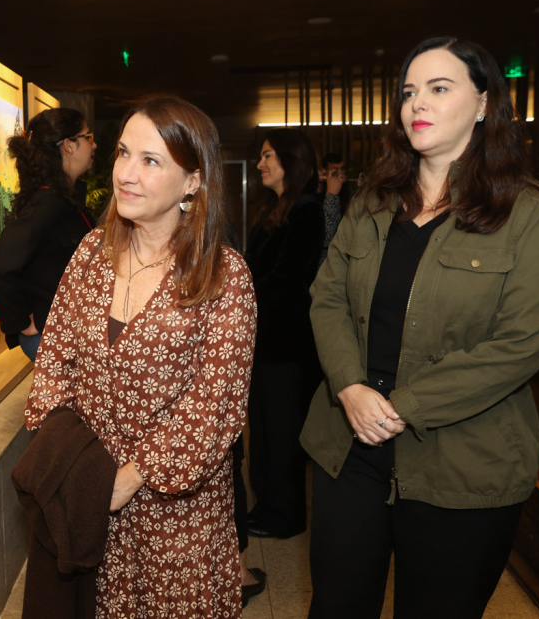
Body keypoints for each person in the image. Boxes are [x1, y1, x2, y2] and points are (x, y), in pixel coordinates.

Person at [301, 37, 539, 619]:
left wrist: (401, 405)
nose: (416, 103)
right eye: (408, 92)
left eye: (438, 88)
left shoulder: (531, 213)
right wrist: (350, 386)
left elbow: (520, 346)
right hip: (348, 446)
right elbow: (326, 296)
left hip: (463, 462)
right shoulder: (373, 201)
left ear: (483, 103)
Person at [24, 96, 257, 617]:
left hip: (176, 525)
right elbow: (55, 359)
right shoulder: (90, 255)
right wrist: (73, 467)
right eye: (123, 153)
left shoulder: (223, 276)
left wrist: (128, 478)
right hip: (86, 509)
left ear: (193, 182)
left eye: (150, 161)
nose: (126, 173)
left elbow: (212, 408)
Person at [245, 128, 324, 541]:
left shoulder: (306, 210)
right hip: (266, 343)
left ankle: (286, 515)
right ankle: (268, 507)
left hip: (287, 345)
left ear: (291, 162)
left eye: (268, 156)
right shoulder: (277, 207)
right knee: (263, 430)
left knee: (281, 433)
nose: (261, 164)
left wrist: (241, 298)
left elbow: (287, 280)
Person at [0, 108, 95, 361]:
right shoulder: (48, 202)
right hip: (53, 338)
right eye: (88, 137)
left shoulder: (66, 198)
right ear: (68, 146)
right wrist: (24, 323)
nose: (94, 144)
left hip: (66, 332)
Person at [316, 152, 349, 264]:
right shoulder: (321, 193)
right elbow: (325, 235)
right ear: (325, 172)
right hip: (325, 260)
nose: (340, 173)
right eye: (335, 170)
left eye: (342, 169)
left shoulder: (347, 191)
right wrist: (331, 195)